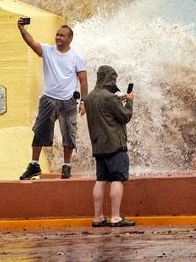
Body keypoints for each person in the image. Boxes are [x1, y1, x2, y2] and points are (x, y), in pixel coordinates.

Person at [18, 20, 88, 180]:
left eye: (62, 36)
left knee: (69, 133)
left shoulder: (77, 58)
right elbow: (31, 42)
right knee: (40, 131)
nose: (58, 38)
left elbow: (83, 80)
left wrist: (84, 102)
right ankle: (34, 165)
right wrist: (21, 29)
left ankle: (66, 166)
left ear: (70, 39)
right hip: (48, 99)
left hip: (68, 101)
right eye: (57, 35)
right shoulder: (48, 51)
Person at [85, 65, 136, 227]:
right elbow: (125, 116)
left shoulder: (90, 98)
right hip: (115, 145)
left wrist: (118, 101)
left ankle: (98, 217)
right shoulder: (110, 98)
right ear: (111, 79)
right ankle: (115, 217)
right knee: (117, 180)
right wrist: (129, 102)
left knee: (101, 180)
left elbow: (104, 113)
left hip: (99, 146)